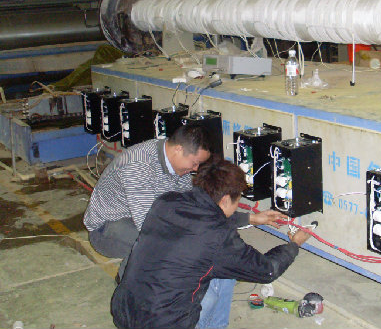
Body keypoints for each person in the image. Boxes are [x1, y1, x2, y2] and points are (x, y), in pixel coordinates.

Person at [83, 125, 284, 327]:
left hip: (144, 220)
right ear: (179, 149)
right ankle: (130, 287)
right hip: (108, 229)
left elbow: (197, 214)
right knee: (160, 245)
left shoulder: (177, 165)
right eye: (195, 163)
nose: (196, 169)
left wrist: (250, 218)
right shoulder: (139, 167)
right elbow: (161, 227)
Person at [111, 158, 311, 329]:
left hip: (125, 311)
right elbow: (267, 271)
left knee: (217, 264)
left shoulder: (166, 202)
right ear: (225, 200)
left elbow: (203, 219)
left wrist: (251, 218)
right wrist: (293, 245)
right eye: (237, 201)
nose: (236, 206)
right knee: (229, 264)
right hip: (164, 324)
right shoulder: (219, 237)